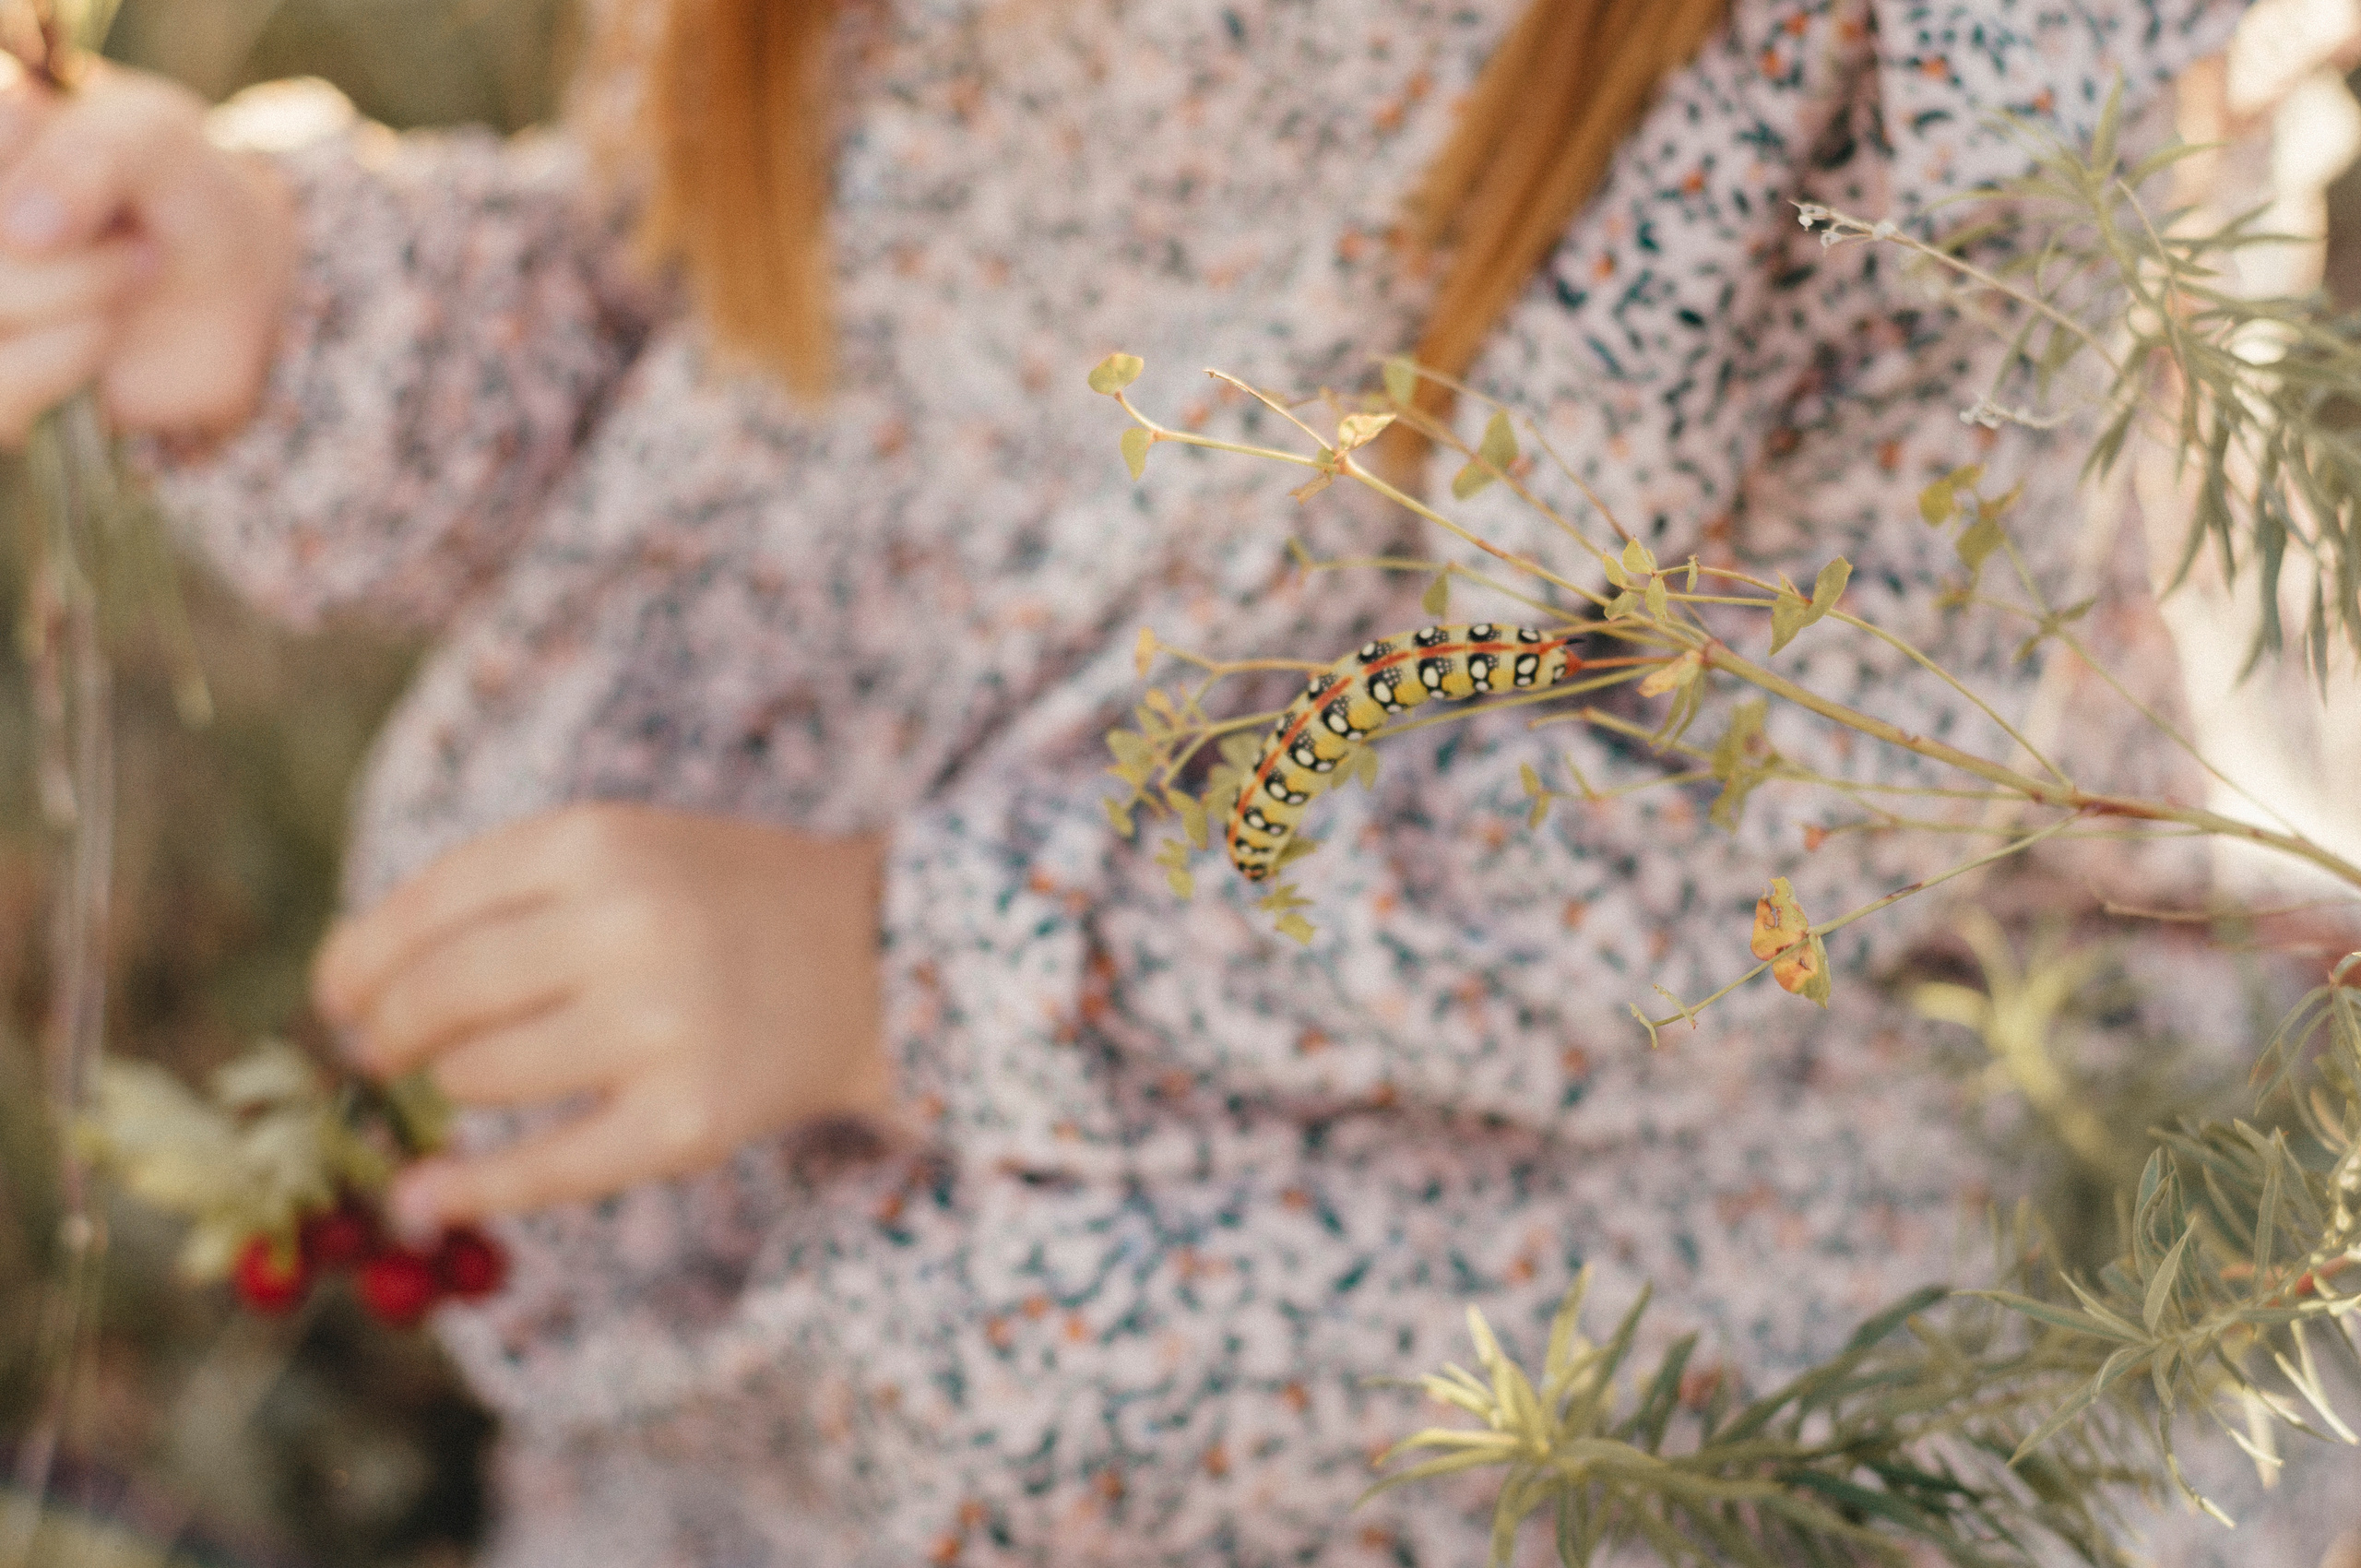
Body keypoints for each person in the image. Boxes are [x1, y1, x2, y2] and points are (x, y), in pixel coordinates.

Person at [0, 0, 2351, 1562]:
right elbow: (714, 324)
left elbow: (1768, 833)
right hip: (847, 1176)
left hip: (1654, 1091)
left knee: (1060, 1368)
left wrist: (905, 964)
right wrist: (289, 295)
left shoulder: (1912, 74)